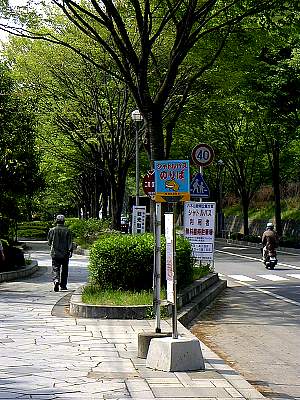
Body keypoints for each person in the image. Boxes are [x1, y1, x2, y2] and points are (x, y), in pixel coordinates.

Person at [48, 215, 73, 292]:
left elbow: (49, 242)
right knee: (65, 270)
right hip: (65, 254)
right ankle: (63, 285)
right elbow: (70, 242)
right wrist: (70, 251)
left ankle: (56, 280)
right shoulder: (68, 231)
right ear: (64, 221)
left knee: (55, 268)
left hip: (55, 253)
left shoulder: (52, 230)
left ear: (56, 221)